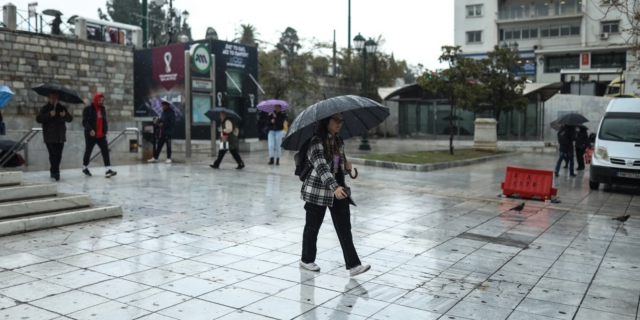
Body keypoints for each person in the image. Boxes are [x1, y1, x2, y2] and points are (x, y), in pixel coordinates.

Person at [299, 113, 371, 277]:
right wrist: (334, 187)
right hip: (317, 191)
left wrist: (346, 167)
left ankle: (354, 265)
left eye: (341, 121)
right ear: (326, 121)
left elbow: (335, 167)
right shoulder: (316, 142)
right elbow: (321, 167)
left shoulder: (338, 141)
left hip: (338, 189)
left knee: (345, 227)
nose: (339, 124)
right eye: (336, 121)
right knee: (312, 227)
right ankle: (306, 260)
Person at [35, 92, 72, 181]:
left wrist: (65, 115)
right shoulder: (44, 108)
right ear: (49, 98)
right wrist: (49, 114)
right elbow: (39, 119)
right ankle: (56, 172)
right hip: (49, 136)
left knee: (58, 155)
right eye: (52, 98)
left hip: (60, 136)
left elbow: (70, 119)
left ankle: (54, 170)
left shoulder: (61, 108)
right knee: (53, 154)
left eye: (56, 98)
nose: (54, 99)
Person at [82, 93, 117, 178]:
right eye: (99, 100)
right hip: (91, 135)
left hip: (101, 135)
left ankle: (108, 170)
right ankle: (85, 167)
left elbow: (103, 121)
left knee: (105, 151)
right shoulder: (88, 109)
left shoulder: (103, 109)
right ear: (95, 100)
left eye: (102, 100)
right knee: (88, 151)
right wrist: (90, 130)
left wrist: (105, 130)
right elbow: (84, 122)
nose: (101, 102)